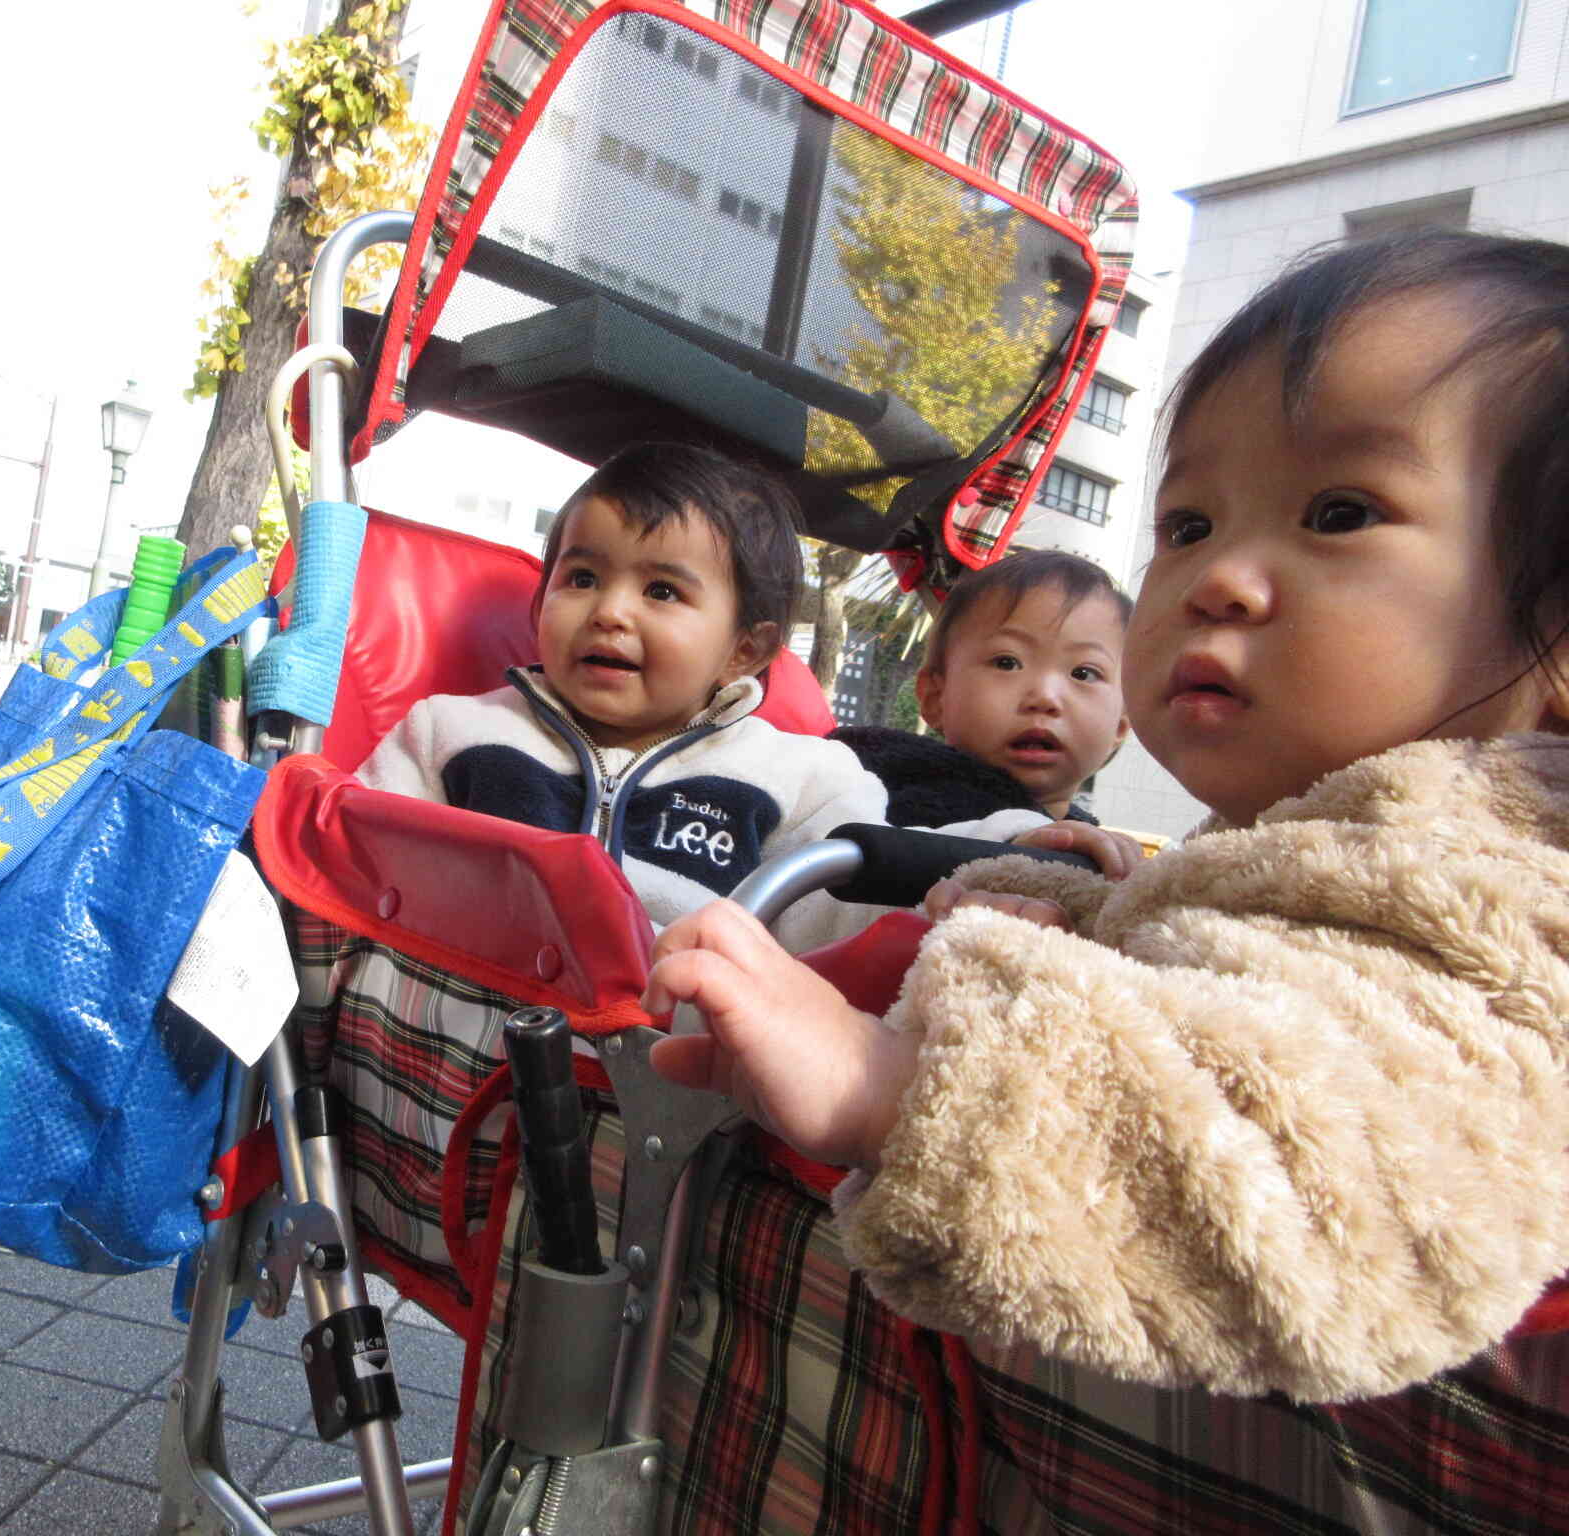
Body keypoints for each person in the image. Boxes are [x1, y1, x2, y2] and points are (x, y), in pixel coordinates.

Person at [642, 228, 1569, 1483]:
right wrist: (1078, 911)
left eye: (1337, 512)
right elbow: (1275, 980)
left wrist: (896, 1094)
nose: (1218, 578)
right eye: (1186, 521)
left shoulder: (1496, 888)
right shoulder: (1344, 841)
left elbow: (1327, 1183)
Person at [358, 441, 1133, 951]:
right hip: (444, 1041)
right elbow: (344, 863)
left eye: (662, 590)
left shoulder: (800, 777)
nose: (610, 610)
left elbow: (854, 894)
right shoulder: (451, 734)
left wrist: (1002, 854)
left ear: (745, 651)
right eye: (581, 577)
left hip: (661, 1071)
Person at [830, 550, 1138, 842]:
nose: (1045, 697)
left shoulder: (1096, 847)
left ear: (1121, 727)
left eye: (1083, 673)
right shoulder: (881, 806)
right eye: (1007, 663)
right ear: (936, 698)